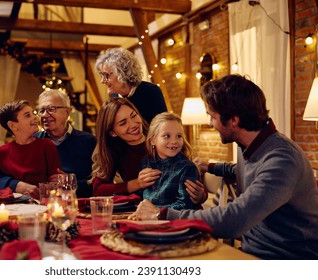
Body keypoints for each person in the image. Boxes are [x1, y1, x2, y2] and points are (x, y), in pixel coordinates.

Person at [129, 74, 318, 260]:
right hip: (249, 252)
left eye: (212, 117)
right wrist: (209, 167)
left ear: (233, 120)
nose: (210, 124)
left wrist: (161, 214)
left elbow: (234, 219)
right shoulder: (250, 145)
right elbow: (243, 170)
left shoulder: (283, 160)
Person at [89, 97, 206, 203]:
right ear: (113, 132)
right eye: (123, 123)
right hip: (146, 211)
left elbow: (188, 174)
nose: (133, 124)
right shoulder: (115, 151)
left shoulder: (164, 139)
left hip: (174, 211)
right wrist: (136, 184)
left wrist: (202, 196)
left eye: (134, 116)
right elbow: (98, 190)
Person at [0, 89, 97, 198]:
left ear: (67, 112)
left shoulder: (89, 141)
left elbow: (101, 182)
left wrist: (71, 183)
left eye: (51, 109)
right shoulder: (31, 140)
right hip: (37, 206)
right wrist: (16, 185)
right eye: (41, 110)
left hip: (76, 205)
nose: (45, 115)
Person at [0, 100, 61, 199]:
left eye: (33, 113)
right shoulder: (3, 152)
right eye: (27, 115)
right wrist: (14, 185)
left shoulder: (47, 145)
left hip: (42, 203)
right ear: (13, 125)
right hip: (14, 205)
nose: (35, 117)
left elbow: (55, 181)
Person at [141, 112, 204, 210]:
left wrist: (156, 212)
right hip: (150, 219)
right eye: (167, 136)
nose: (174, 141)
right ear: (153, 140)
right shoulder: (147, 162)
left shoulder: (187, 168)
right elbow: (142, 195)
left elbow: (184, 205)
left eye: (179, 136)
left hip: (177, 221)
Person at [95, 47, 167, 124]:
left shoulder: (151, 91)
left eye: (106, 75)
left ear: (122, 72)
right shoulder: (114, 97)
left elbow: (162, 127)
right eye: (101, 75)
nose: (102, 81)